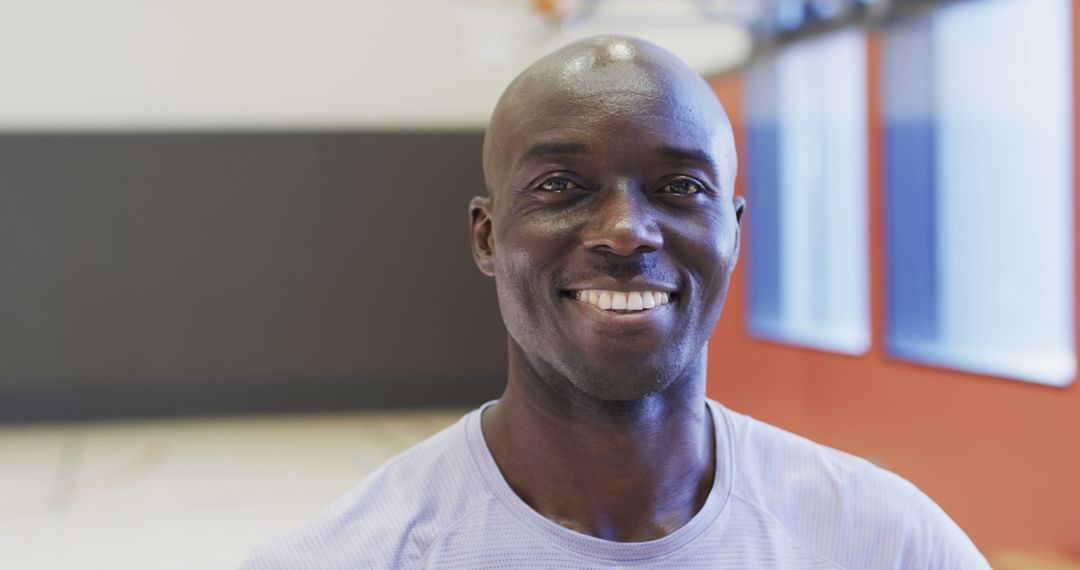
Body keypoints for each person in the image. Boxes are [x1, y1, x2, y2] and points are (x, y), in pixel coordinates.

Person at [243, 35, 989, 569]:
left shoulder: (886, 543)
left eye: (680, 188)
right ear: (486, 236)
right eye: (561, 186)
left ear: (732, 235)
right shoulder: (353, 554)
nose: (628, 233)